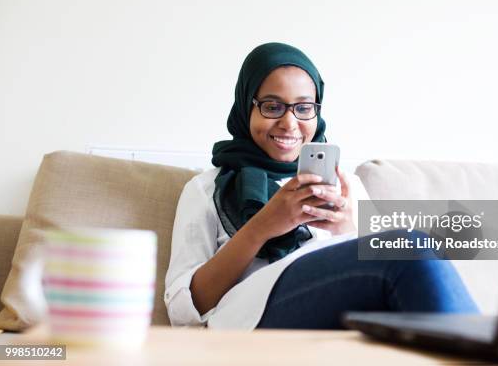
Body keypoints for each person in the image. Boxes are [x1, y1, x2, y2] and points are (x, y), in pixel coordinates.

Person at [164, 42, 477, 329]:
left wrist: (350, 229)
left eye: (303, 108)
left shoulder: (345, 184)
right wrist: (262, 227)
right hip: (251, 316)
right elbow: (182, 310)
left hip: (344, 305)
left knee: (412, 250)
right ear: (247, 106)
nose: (289, 123)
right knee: (411, 247)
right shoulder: (207, 189)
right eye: (272, 106)